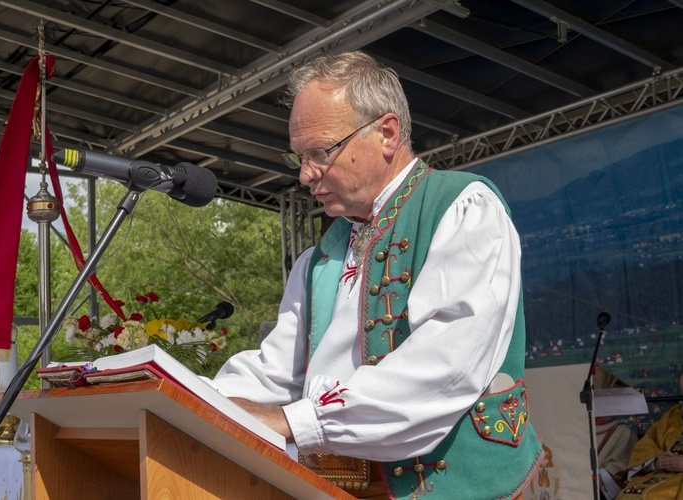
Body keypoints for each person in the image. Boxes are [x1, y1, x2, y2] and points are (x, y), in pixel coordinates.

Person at [212, 50, 544, 499]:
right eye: (298, 159)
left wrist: (297, 421)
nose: (306, 176)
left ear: (386, 133)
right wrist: (177, 389)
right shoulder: (320, 256)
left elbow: (444, 365)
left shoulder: (463, 207)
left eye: (320, 152)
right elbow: (277, 374)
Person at [612, 372, 683, 499]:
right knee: (627, 495)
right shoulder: (674, 414)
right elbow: (647, 444)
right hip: (662, 476)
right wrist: (656, 461)